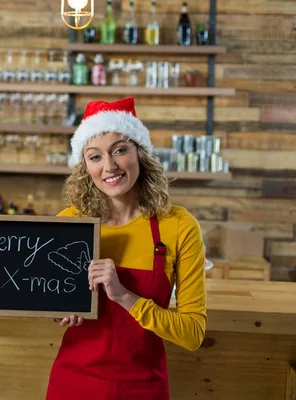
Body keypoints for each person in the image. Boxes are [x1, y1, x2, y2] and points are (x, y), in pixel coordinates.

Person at [46, 97, 207, 400]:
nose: (109, 166)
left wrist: (124, 296)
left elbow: (192, 333)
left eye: (120, 150)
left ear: (139, 153)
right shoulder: (69, 224)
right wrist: (60, 312)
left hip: (143, 387)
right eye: (95, 157)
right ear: (85, 167)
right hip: (73, 383)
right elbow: (47, 298)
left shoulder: (179, 226)